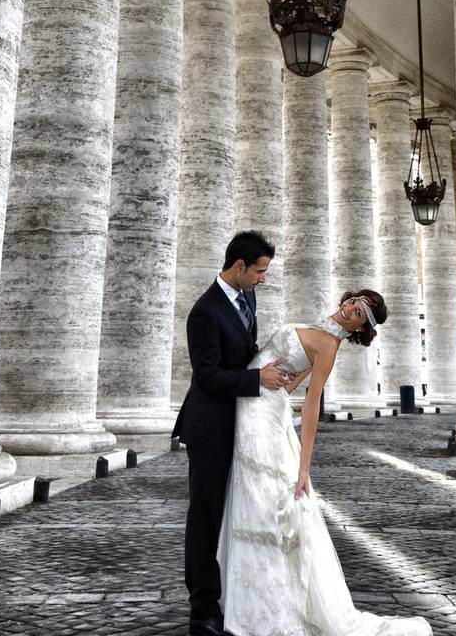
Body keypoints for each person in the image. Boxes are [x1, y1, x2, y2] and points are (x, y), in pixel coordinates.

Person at [217, 290, 433, 635]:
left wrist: (304, 469)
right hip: (253, 400)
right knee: (248, 495)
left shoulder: (330, 347)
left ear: (362, 327)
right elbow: (289, 385)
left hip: (262, 415)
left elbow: (312, 404)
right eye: (354, 302)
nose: (351, 310)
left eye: (360, 314)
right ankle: (241, 598)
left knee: (262, 498)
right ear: (348, 299)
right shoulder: (315, 325)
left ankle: (265, 608)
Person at [173, 231, 293, 636]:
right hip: (209, 427)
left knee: (231, 514)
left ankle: (229, 597)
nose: (263, 279)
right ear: (239, 266)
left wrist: (273, 366)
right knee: (205, 518)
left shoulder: (247, 297)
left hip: (241, 423)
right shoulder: (203, 312)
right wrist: (257, 378)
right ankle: (202, 610)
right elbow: (206, 377)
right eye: (259, 271)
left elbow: (245, 352)